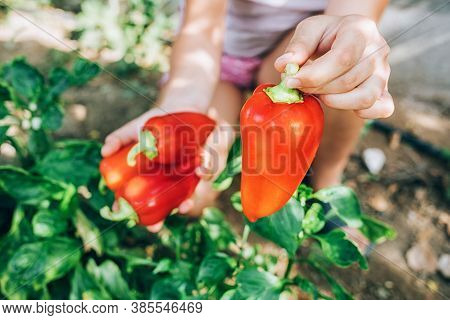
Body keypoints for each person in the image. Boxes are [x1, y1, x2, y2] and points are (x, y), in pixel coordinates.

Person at [101, 0, 393, 231]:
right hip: (218, 65)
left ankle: (328, 176)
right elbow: (201, 29)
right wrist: (182, 105)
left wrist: (349, 47)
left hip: (293, 56)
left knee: (341, 80)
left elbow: (353, 18)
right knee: (197, 193)